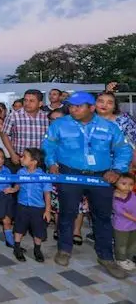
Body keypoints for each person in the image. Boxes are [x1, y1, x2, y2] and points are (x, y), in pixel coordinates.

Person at [43, 92, 132, 279]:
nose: (74, 109)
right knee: (67, 213)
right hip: (70, 173)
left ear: (91, 108)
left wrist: (116, 170)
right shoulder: (60, 124)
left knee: (103, 217)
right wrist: (51, 163)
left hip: (102, 177)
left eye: (79, 106)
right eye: (72, 105)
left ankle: (106, 257)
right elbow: (48, 145)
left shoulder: (109, 127)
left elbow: (123, 149)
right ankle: (64, 250)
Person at [10, 148, 51, 263]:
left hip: (37, 207)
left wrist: (47, 210)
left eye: (24, 157)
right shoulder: (20, 172)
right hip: (22, 205)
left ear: (34, 161)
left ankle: (37, 250)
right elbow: (17, 186)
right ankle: (17, 248)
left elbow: (47, 193)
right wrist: (13, 189)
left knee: (38, 230)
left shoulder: (43, 175)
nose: (21, 158)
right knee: (19, 227)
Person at [1, 90, 49, 168]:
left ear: (40, 104)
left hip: (40, 161)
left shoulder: (46, 117)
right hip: (19, 159)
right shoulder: (13, 116)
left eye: (31, 101)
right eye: (25, 100)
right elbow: (4, 134)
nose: (27, 103)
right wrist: (12, 154)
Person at [112, 173, 136, 271]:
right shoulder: (116, 199)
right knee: (121, 244)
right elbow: (122, 213)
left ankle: (129, 258)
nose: (127, 187)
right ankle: (120, 259)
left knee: (132, 242)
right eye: (124, 183)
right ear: (116, 183)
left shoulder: (132, 194)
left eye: (131, 184)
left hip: (133, 225)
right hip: (122, 227)